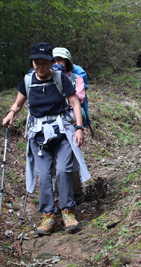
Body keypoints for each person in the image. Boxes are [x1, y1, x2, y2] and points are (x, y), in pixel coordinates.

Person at [2, 42, 90, 235]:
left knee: (62, 171)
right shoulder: (28, 81)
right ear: (32, 62)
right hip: (38, 135)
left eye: (44, 63)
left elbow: (75, 103)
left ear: (50, 62)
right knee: (43, 175)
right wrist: (11, 113)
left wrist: (79, 128)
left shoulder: (60, 78)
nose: (40, 67)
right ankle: (49, 216)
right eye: (36, 62)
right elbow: (18, 103)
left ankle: (67, 211)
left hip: (62, 132)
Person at [51, 47, 87, 206]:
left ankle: (77, 192)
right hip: (51, 122)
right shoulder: (47, 79)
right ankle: (58, 195)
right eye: (54, 60)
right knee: (53, 160)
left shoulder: (76, 79)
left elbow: (78, 99)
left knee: (72, 158)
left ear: (67, 62)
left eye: (61, 60)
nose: (57, 63)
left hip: (71, 119)